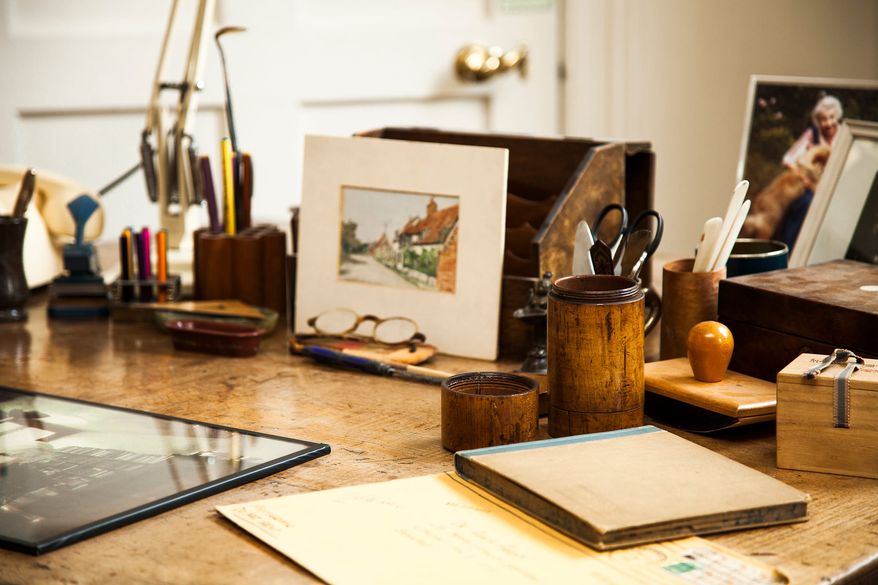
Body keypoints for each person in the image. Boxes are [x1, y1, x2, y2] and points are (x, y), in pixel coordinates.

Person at [774, 95, 843, 246]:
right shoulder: (813, 134)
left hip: (838, 187)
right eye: (823, 119)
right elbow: (788, 159)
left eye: (831, 117)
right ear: (818, 121)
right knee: (803, 205)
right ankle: (790, 249)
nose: (828, 123)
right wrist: (802, 177)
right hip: (811, 187)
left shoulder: (844, 135)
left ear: (837, 116)